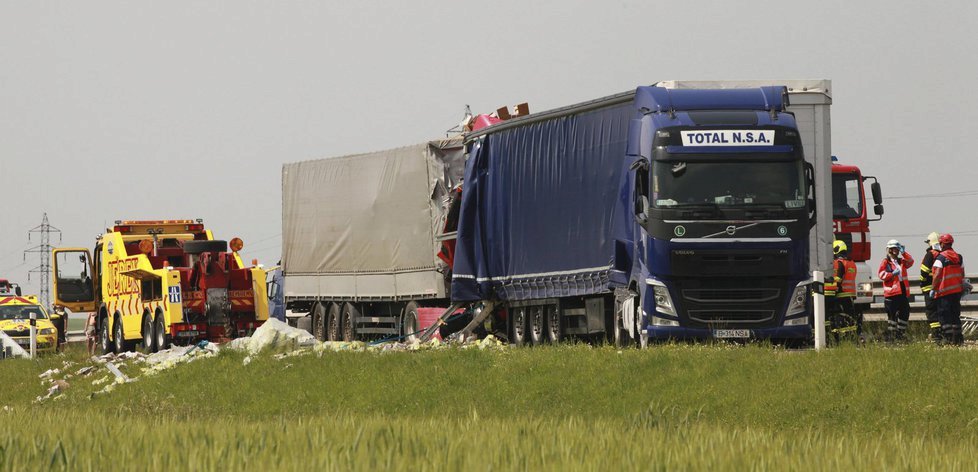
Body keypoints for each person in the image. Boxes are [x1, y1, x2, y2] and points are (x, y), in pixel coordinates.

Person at [931, 233, 966, 345]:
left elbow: (936, 276)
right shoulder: (959, 257)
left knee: (945, 317)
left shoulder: (940, 258)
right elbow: (962, 273)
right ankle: (958, 339)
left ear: (942, 244)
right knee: (955, 315)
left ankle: (948, 339)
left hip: (943, 293)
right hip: (956, 292)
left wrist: (933, 289)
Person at [878, 239, 914, 341]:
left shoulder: (901, 261)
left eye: (897, 248)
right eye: (894, 248)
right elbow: (881, 274)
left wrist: (904, 253)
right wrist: (892, 274)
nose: (896, 250)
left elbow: (911, 262)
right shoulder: (885, 262)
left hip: (902, 291)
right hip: (892, 293)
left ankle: (900, 335)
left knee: (905, 313)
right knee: (892, 317)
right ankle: (891, 336)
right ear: (889, 249)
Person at [826, 240, 860, 342]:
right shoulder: (852, 263)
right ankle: (853, 337)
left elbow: (838, 280)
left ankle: (839, 338)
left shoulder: (840, 263)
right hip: (851, 295)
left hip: (842, 294)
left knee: (840, 317)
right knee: (850, 317)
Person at [919, 231, 942, 342]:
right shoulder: (943, 255)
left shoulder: (930, 254)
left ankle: (936, 335)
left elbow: (924, 271)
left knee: (932, 312)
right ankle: (942, 334)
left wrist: (922, 282)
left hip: (929, 288)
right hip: (941, 289)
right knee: (940, 311)